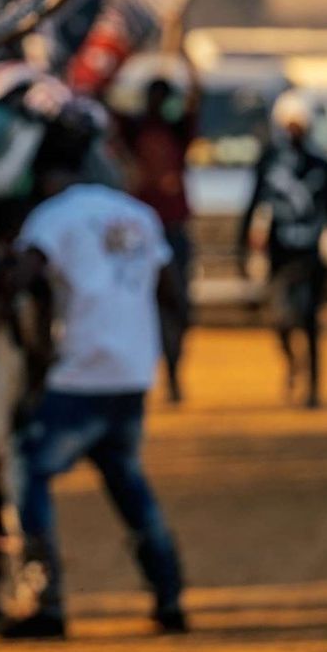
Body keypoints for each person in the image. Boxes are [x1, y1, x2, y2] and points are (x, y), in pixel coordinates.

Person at [3, 124, 187, 641]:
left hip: (81, 374)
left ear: (41, 176)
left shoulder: (51, 216)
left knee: (27, 469)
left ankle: (46, 601)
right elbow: (170, 290)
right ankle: (168, 592)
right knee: (125, 476)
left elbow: (19, 278)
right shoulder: (136, 212)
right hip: (132, 373)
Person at [240, 91, 327, 408]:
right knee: (280, 319)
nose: (294, 130)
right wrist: (242, 248)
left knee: (312, 320)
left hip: (311, 254)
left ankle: (314, 388)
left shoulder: (322, 166)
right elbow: (253, 204)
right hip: (280, 254)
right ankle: (292, 363)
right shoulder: (269, 162)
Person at [119, 65, 199, 403]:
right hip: (142, 234)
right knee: (142, 308)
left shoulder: (176, 130)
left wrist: (185, 56)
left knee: (177, 307)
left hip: (173, 231)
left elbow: (197, 96)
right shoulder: (134, 130)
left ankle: (173, 373)